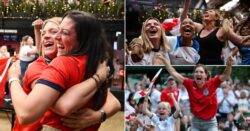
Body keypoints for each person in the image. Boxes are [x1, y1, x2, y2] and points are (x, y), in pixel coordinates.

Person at [8, 10, 117, 130]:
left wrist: (13, 78)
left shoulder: (68, 64)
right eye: (43, 33)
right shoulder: (96, 65)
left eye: (55, 31)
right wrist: (98, 79)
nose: (47, 36)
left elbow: (114, 103)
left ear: (81, 38)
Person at [156, 52, 233, 131]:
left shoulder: (213, 83)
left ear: (206, 76)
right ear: (193, 75)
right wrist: (165, 60)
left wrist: (229, 65)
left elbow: (225, 75)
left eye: (201, 72)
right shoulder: (189, 83)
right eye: (196, 72)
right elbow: (173, 72)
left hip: (210, 123)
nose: (198, 73)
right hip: (195, 122)